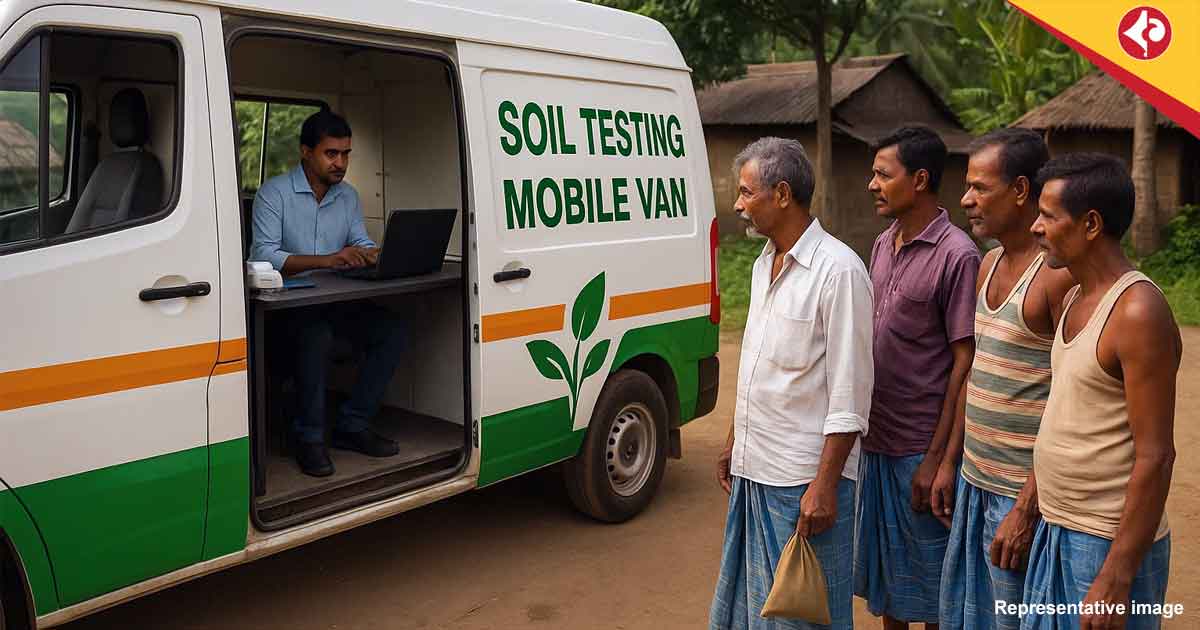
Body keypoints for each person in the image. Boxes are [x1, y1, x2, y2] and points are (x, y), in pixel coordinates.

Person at [710, 137, 873, 630]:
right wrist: (738, 439)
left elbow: (850, 393)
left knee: (805, 617)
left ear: (781, 194)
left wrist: (825, 485)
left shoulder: (839, 271)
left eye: (746, 192)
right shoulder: (765, 262)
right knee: (754, 612)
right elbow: (765, 365)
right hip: (756, 471)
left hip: (802, 484)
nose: (738, 204)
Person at [1021, 153, 1180, 630]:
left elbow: (1156, 457)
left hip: (1105, 541)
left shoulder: (1136, 313)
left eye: (1048, 216)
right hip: (1059, 528)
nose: (1036, 227)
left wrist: (1116, 575)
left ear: (1091, 224)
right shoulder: (1072, 296)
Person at [935, 129, 1075, 630]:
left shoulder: (1056, 277)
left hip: (1021, 497)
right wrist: (951, 461)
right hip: (976, 486)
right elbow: (973, 373)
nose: (966, 200)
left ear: (1020, 191)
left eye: (980, 187)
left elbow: (1069, 402)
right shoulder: (987, 263)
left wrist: (1027, 505)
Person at [855, 125, 980, 630]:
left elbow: (963, 364)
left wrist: (938, 459)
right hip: (876, 442)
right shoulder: (883, 243)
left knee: (931, 589)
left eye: (884, 174)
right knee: (889, 587)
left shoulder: (958, 254)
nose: (872, 184)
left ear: (921, 179)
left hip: (919, 448)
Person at [250, 110, 405, 477]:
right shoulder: (274, 194)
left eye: (346, 154)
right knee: (315, 336)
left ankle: (352, 425)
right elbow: (264, 255)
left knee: (391, 329)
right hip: (282, 314)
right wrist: (329, 259)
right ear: (306, 152)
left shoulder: (347, 197)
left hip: (334, 304)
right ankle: (310, 439)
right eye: (331, 154)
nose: (340, 163)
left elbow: (359, 240)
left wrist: (372, 253)